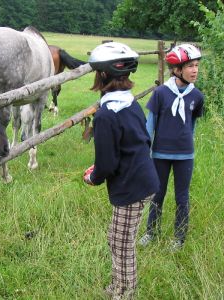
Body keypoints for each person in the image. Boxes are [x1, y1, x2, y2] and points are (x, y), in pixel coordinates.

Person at [83, 42, 159, 299]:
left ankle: (125, 292)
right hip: (140, 178)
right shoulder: (129, 103)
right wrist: (104, 166)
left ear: (102, 74)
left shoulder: (106, 115)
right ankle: (119, 285)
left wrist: (93, 177)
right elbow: (134, 143)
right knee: (118, 239)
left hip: (132, 187)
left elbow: (106, 164)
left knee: (121, 244)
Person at [139, 44, 204, 250]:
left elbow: (191, 125)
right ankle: (151, 232)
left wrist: (188, 146)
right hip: (160, 154)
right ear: (177, 69)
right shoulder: (160, 93)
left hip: (185, 155)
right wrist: (145, 153)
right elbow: (150, 124)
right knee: (157, 194)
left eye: (196, 65)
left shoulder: (197, 96)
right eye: (190, 66)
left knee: (182, 197)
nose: (195, 70)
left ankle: (179, 237)